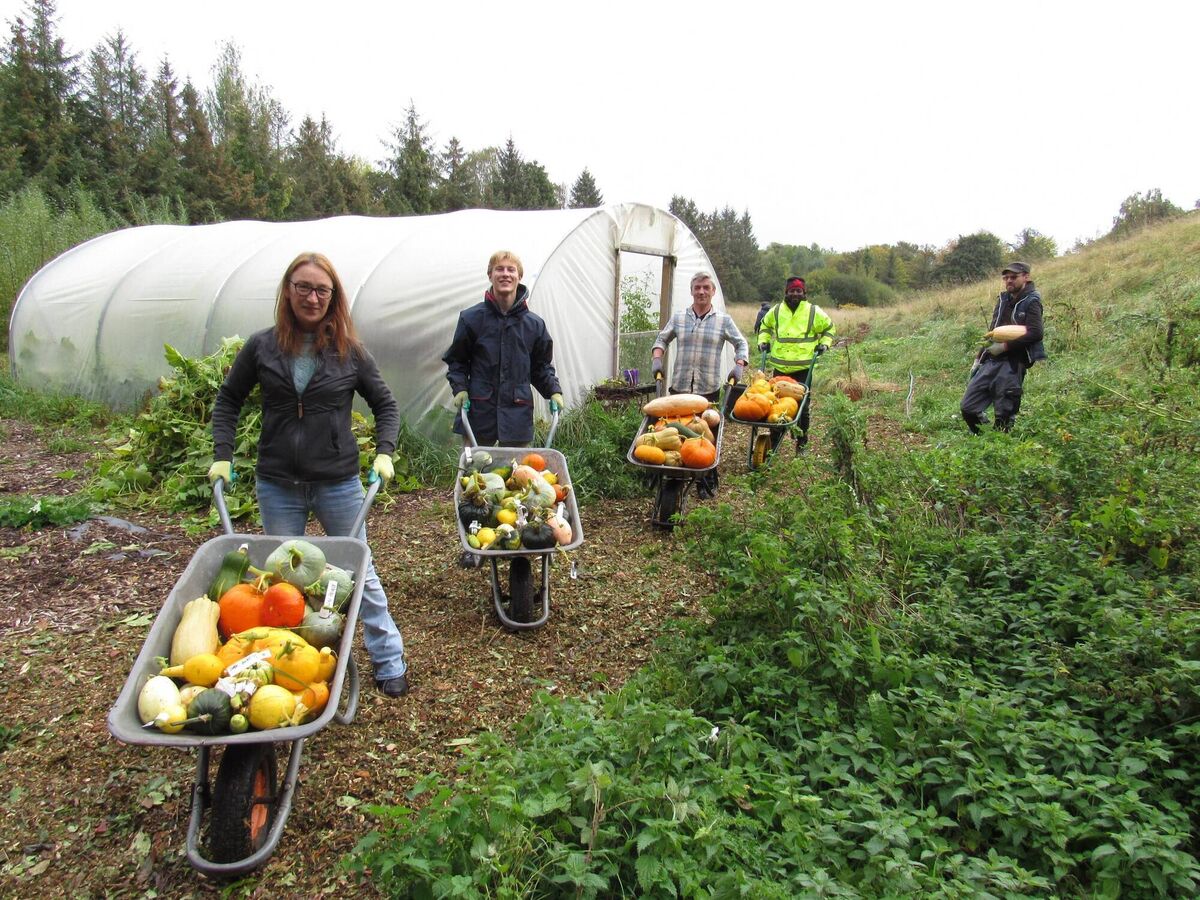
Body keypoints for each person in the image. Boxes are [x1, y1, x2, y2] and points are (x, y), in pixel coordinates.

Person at [208, 251, 411, 698]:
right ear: (288, 291)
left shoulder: (349, 352)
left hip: (337, 481)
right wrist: (223, 454)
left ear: (333, 297)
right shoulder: (262, 347)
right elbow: (228, 401)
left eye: (322, 289)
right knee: (282, 583)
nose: (312, 297)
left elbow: (386, 405)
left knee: (359, 568)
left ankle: (388, 657)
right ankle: (294, 667)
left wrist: (385, 452)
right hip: (277, 482)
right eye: (304, 287)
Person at [443, 250, 563, 567]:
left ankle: (519, 534)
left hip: (516, 411)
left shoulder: (534, 325)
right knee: (473, 482)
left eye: (511, 269)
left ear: (519, 277)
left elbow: (541, 368)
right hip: (478, 410)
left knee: (519, 481)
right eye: (499, 269)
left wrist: (554, 391)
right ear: (491, 276)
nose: (505, 274)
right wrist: (461, 389)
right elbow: (457, 361)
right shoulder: (472, 319)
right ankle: (475, 544)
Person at [651, 271, 749, 499]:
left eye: (706, 287)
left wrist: (740, 364)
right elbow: (661, 339)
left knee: (706, 437)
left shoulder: (723, 320)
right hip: (680, 388)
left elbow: (741, 343)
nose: (702, 291)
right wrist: (657, 358)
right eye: (697, 287)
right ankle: (670, 473)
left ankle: (705, 478)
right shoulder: (679, 318)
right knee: (673, 433)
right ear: (692, 290)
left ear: (713, 291)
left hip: (708, 390)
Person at [960, 261, 1046, 434]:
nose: (1009, 281)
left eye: (1013, 277)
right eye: (1006, 278)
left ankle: (997, 447)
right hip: (991, 360)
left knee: (1004, 415)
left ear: (1026, 277)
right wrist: (978, 358)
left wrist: (1005, 346)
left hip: (1013, 364)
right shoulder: (1003, 299)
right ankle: (982, 434)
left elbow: (1036, 333)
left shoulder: (1032, 301)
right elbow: (992, 330)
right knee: (968, 407)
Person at [756, 276, 835, 452]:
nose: (795, 294)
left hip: (803, 368)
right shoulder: (776, 311)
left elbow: (829, 329)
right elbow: (765, 327)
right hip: (780, 369)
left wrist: (825, 344)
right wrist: (763, 341)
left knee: (803, 407)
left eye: (798, 291)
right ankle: (775, 441)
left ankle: (802, 442)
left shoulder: (813, 311)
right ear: (786, 292)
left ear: (804, 293)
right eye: (792, 291)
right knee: (775, 406)